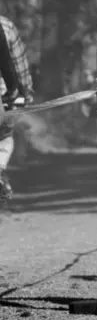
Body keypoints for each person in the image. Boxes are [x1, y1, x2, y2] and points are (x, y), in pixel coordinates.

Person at [0, 15, 33, 202]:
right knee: (4, 137)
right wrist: (20, 91)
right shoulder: (5, 26)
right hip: (3, 95)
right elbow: (12, 62)